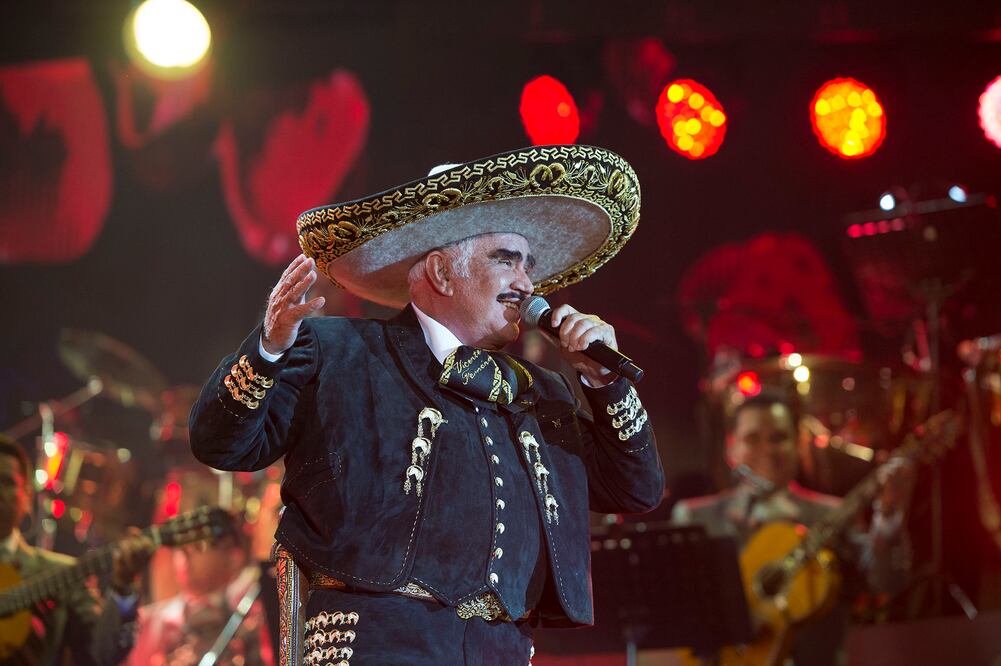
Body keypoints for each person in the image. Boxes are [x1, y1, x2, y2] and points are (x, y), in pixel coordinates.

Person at [189, 145, 665, 664]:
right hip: (374, 646)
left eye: (527, 265)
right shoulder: (338, 352)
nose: (527, 282)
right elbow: (221, 443)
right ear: (440, 273)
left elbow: (635, 490)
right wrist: (269, 347)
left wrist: (604, 383)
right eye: (504, 260)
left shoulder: (542, 392)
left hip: (502, 651)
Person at [671, 392, 915, 666]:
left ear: (798, 443)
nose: (767, 450)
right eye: (753, 439)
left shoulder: (832, 513)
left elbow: (887, 581)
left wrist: (889, 516)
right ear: (731, 448)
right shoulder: (696, 517)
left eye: (778, 438)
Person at [0, 434, 152, 666]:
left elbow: (103, 655)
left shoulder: (62, 574)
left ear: (27, 495)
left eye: (7, 482)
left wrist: (123, 588)